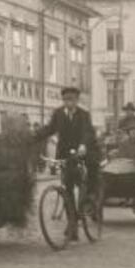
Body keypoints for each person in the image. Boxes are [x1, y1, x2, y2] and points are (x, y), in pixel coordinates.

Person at [34, 86, 99, 241]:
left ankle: (90, 196)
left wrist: (83, 145)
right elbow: (49, 129)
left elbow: (87, 132)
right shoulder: (58, 114)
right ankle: (72, 223)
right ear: (63, 100)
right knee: (67, 189)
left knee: (91, 169)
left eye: (72, 99)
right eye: (66, 100)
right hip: (65, 154)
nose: (69, 103)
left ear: (77, 100)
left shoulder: (84, 115)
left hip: (82, 152)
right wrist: (32, 137)